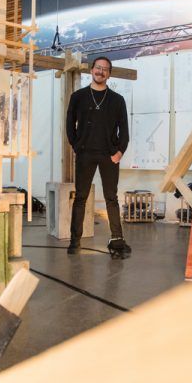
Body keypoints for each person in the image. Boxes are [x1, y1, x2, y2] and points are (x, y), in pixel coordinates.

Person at [66, 56, 131, 258]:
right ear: (91, 70)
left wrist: (119, 152)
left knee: (111, 198)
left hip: (108, 155)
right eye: (98, 67)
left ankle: (117, 238)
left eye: (105, 69)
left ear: (109, 74)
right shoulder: (78, 97)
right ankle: (74, 241)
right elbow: (69, 125)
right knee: (80, 198)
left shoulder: (117, 100)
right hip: (85, 154)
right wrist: (77, 146)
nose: (100, 71)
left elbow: (124, 131)